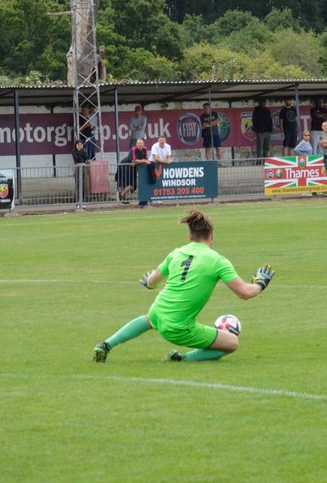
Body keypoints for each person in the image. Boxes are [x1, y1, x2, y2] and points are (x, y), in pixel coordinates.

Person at [92, 210, 274, 363]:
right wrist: (261, 283)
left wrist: (148, 283)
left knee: (149, 319)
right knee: (232, 343)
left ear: (189, 236)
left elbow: (152, 281)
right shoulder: (218, 261)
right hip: (178, 328)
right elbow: (244, 293)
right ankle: (182, 359)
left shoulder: (176, 253)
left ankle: (106, 344)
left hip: (159, 310)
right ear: (211, 236)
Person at [132, 137, 152, 206]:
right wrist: (143, 161)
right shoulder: (134, 149)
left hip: (142, 169)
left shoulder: (145, 149)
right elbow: (134, 160)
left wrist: (144, 161)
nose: (139, 144)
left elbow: (146, 158)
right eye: (138, 143)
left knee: (144, 184)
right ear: (136, 144)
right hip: (132, 168)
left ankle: (144, 201)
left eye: (141, 143)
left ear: (143, 144)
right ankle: (141, 201)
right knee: (137, 185)